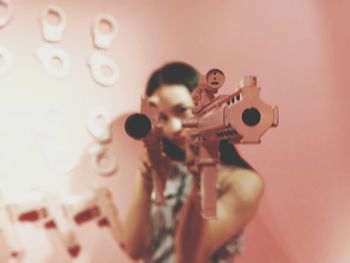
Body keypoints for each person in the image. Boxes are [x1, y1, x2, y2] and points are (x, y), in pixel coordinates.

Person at [122, 62, 264, 263]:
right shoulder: (158, 166)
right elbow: (134, 249)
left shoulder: (243, 182)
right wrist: (145, 186)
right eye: (162, 117)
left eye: (182, 110)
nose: (174, 128)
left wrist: (200, 179)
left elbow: (191, 257)